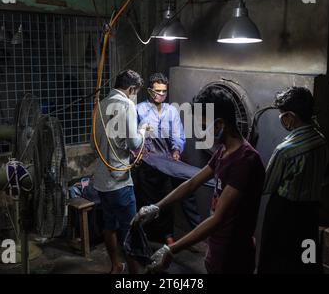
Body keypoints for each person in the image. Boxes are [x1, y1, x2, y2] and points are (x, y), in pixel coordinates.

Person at [133, 85, 266, 274]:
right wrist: (157, 207)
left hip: (234, 256)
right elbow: (192, 183)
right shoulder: (223, 151)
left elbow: (218, 219)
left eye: (204, 126)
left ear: (220, 124)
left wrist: (171, 249)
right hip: (217, 249)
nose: (202, 133)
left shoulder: (245, 161)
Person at [257, 86, 329, 274]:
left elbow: (266, 186)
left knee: (277, 260)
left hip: (284, 213)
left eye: (282, 115)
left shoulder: (285, 150)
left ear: (290, 116)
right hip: (311, 212)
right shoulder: (321, 140)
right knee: (308, 257)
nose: (281, 119)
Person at [93, 69, 150, 274]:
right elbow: (134, 142)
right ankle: (135, 276)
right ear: (131, 89)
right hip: (119, 181)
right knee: (130, 229)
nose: (135, 97)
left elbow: (97, 144)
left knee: (109, 225)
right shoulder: (126, 104)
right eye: (136, 92)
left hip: (101, 180)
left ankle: (116, 265)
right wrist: (143, 130)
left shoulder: (101, 105)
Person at [134, 73, 201, 245]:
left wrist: (177, 150)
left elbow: (178, 134)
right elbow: (132, 136)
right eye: (158, 91)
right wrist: (137, 153)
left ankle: (168, 235)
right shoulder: (139, 110)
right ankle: (145, 237)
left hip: (165, 161)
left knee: (166, 200)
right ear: (150, 91)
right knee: (147, 200)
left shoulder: (171, 111)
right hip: (147, 162)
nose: (161, 95)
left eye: (164, 92)